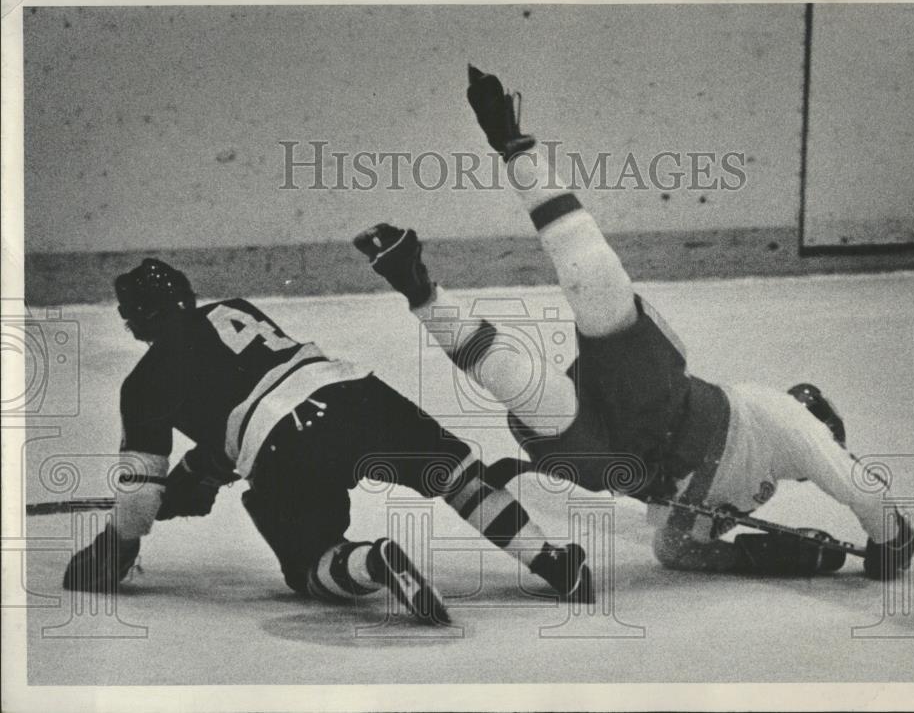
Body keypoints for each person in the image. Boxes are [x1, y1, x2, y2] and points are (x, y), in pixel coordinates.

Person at [352, 65, 914, 581]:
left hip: (630, 454)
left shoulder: (754, 490)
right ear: (822, 421)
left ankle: (422, 279)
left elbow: (677, 549)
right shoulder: (789, 420)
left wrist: (789, 556)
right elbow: (857, 488)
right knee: (587, 313)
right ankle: (505, 165)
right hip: (667, 413)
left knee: (554, 359)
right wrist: (891, 542)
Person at [61, 258, 593, 624]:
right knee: (456, 477)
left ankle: (371, 563)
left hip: (283, 445)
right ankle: (548, 558)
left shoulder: (145, 383)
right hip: (355, 393)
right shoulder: (235, 309)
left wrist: (123, 538)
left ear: (133, 320)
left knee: (310, 566)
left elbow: (143, 493)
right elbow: (250, 389)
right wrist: (200, 475)